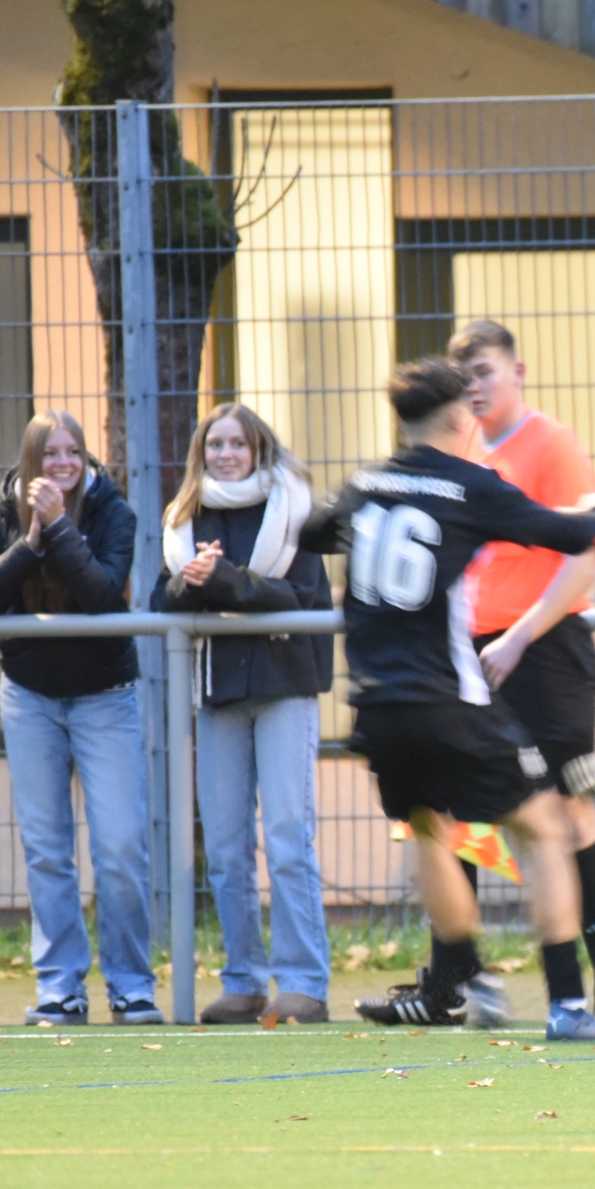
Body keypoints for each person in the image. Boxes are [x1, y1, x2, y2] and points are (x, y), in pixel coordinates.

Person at [303, 357, 595, 1042]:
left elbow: (309, 532)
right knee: (544, 827)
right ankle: (568, 1005)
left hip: (376, 708)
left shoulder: (364, 486)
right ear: (457, 415)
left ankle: (468, 974)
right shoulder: (470, 486)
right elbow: (568, 534)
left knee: (427, 828)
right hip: (450, 702)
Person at [450, 320, 595, 1029]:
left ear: (517, 372)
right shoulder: (462, 451)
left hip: (545, 652)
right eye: (464, 377)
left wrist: (519, 637)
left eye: (485, 372)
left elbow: (581, 562)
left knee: (566, 810)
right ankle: (459, 981)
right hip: (475, 654)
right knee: (462, 811)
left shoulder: (552, 443)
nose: (474, 387)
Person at [0, 411, 160, 1026]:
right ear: (32, 462)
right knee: (47, 847)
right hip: (30, 695)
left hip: (104, 695)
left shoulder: (112, 511)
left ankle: (131, 985)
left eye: (73, 452)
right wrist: (30, 542)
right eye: (50, 454)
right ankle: (60, 986)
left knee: (121, 845)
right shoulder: (6, 507)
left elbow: (103, 595)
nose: (63, 464)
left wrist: (59, 528)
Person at [155, 404, 333, 1025]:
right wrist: (190, 582)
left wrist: (222, 580)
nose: (225, 455)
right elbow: (161, 598)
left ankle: (304, 983)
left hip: (284, 685)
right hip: (218, 693)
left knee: (287, 838)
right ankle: (243, 981)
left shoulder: (297, 510)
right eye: (215, 445)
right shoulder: (183, 520)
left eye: (237, 444)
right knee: (227, 848)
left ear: (259, 450)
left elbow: (300, 596)